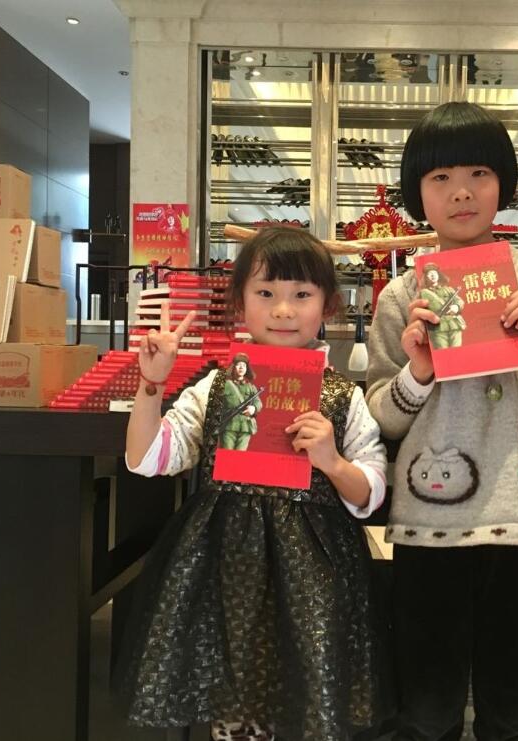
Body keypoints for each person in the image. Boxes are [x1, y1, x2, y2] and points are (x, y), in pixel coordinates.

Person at [365, 101, 518, 741]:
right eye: (440, 177)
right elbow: (381, 416)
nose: (462, 192)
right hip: (430, 521)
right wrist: (418, 371)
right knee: (427, 706)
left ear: (504, 182)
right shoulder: (401, 296)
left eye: (479, 172)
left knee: (513, 702)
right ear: (417, 193)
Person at [119, 226, 391, 741]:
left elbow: (370, 491)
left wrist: (332, 462)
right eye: (265, 293)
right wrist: (151, 384)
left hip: (315, 576)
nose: (283, 310)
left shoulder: (342, 396)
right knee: (237, 694)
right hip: (228, 569)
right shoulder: (216, 387)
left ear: (328, 305)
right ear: (240, 303)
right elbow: (148, 458)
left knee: (311, 690)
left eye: (301, 295)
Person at [220, 352, 261, 450]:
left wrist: (253, 408)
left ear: (247, 369)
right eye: (238, 365)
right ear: (233, 367)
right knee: (227, 453)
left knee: (240, 455)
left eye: (244, 365)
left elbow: (258, 402)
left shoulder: (250, 387)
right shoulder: (225, 385)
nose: (241, 367)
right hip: (229, 424)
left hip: (245, 426)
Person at [419, 262, 466, 348]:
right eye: (430, 273)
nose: (433, 275)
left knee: (458, 351)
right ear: (425, 277)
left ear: (438, 275)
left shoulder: (448, 290)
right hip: (438, 328)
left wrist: (456, 306)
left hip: (454, 324)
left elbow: (459, 301)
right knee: (443, 353)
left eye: (434, 273)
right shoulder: (423, 293)